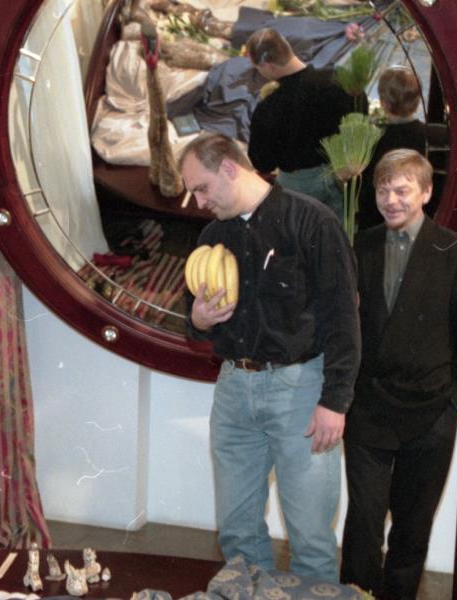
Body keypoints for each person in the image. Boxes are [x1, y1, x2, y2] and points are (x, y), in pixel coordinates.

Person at [180, 132, 361, 582]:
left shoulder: (312, 222)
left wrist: (335, 401)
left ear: (229, 167)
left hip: (301, 390)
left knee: (311, 540)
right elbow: (193, 318)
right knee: (237, 535)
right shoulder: (213, 234)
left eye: (201, 188)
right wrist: (199, 319)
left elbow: (343, 317)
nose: (198, 202)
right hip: (233, 390)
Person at [340, 149, 457, 599]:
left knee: (413, 529)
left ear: (426, 192)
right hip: (368, 411)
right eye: (383, 190)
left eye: (402, 190)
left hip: (431, 413)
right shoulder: (361, 245)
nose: (391, 200)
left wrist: (454, 404)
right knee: (363, 522)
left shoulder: (456, 251)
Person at [246, 27, 355, 221]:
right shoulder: (338, 79)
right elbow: (359, 119)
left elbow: (262, 162)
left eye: (258, 69)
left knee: (298, 231)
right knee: (339, 231)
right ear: (288, 49)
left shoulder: (269, 107)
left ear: (268, 65)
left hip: (298, 185)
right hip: (342, 174)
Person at [356, 67, 429, 233]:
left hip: (376, 221)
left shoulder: (374, 138)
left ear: (384, 104)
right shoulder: (427, 136)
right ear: (418, 100)